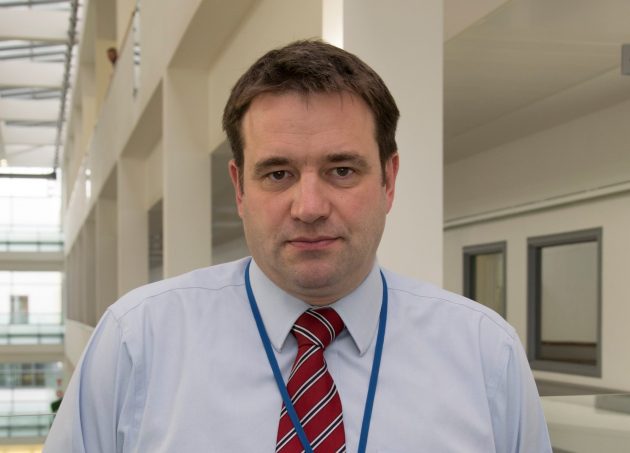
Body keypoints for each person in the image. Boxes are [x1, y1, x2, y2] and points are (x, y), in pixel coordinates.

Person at [44, 40, 551, 452]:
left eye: (342, 170)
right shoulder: (137, 342)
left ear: (389, 180)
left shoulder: (486, 355)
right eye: (278, 173)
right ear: (240, 187)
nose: (309, 207)